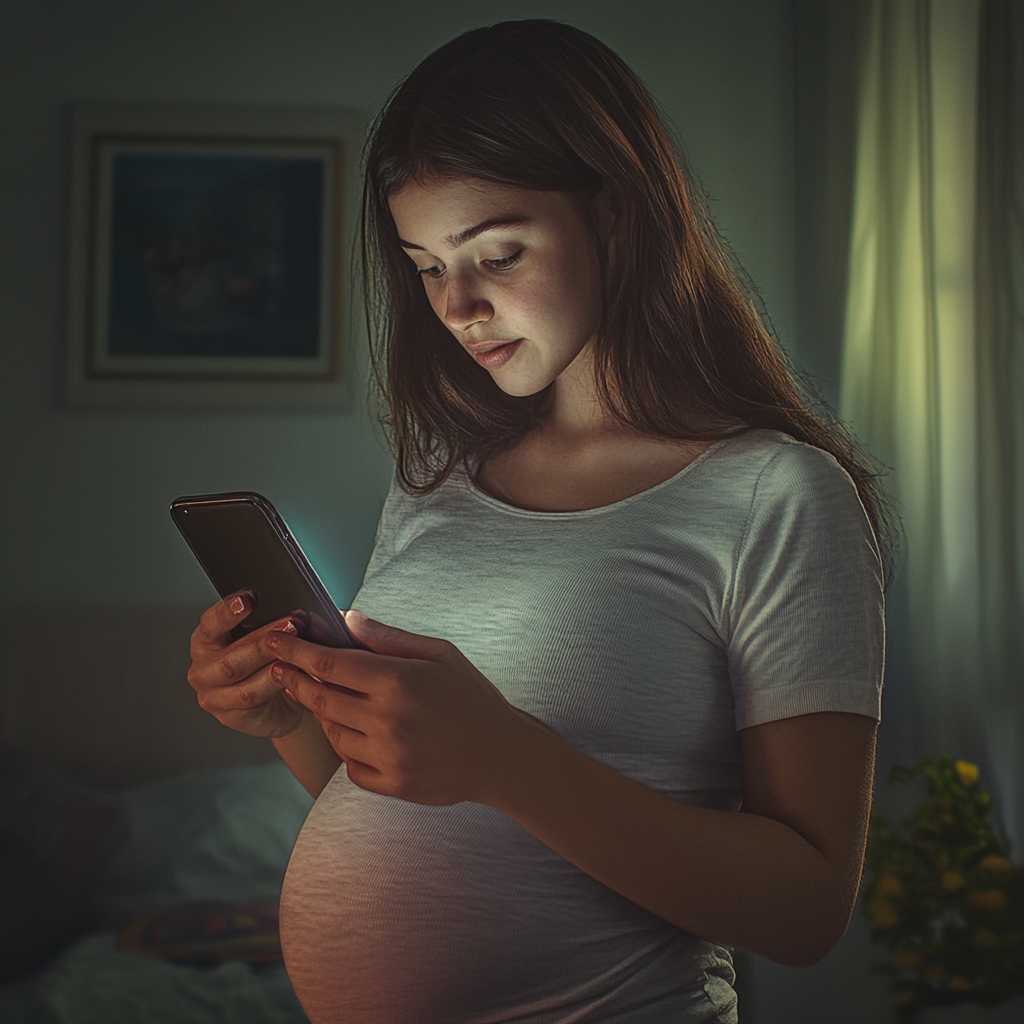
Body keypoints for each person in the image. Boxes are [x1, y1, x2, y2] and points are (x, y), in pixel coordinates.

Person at [186, 19, 893, 1023]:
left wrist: (508, 758)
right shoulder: (438, 481)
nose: (458, 304)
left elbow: (807, 907)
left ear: (616, 212)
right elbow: (395, 793)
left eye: (496, 252)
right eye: (426, 265)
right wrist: (286, 713)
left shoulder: (777, 496)